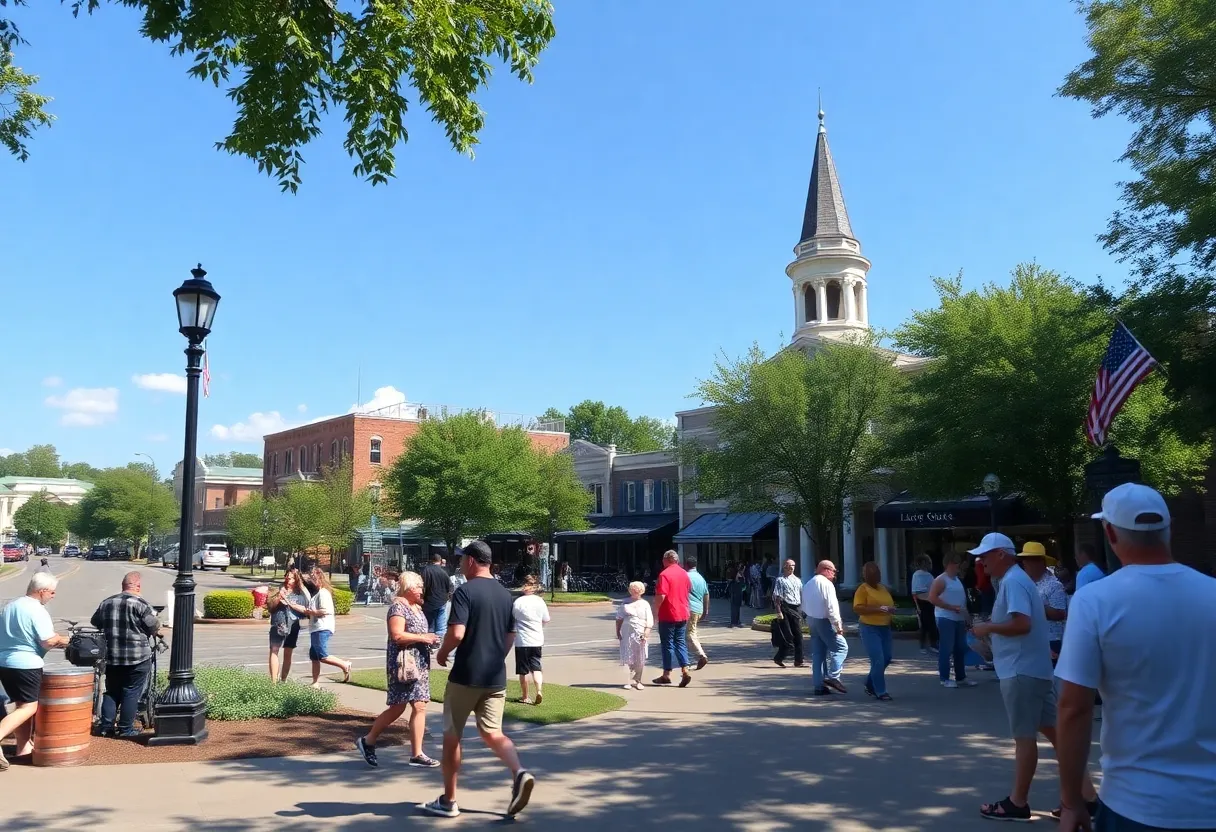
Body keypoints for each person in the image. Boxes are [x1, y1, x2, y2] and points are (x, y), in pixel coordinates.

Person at [1056, 483, 1216, 832]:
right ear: (1169, 528)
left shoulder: (1094, 601)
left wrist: (1071, 800)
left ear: (1110, 532)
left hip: (1136, 801)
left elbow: (1074, 708)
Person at [969, 532, 1097, 822]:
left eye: (985, 555)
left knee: (1024, 738)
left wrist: (988, 628)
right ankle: (1087, 798)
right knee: (1058, 737)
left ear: (1001, 554)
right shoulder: (1018, 580)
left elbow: (1022, 624)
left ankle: (1018, 802)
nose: (981, 561)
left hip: (1020, 671)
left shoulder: (1013, 581)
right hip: (1034, 670)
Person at [423, 540, 534, 819]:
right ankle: (519, 772)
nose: (460, 564)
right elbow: (510, 635)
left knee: (452, 736)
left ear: (472, 561)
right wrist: (496, 656)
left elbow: (457, 633)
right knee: (493, 732)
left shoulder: (465, 591)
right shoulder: (505, 594)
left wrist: (442, 653)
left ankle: (449, 801)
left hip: (465, 675)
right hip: (495, 676)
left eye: (462, 559)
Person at [356, 571, 440, 769]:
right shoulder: (398, 607)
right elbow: (397, 635)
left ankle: (417, 754)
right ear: (408, 587)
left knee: (420, 705)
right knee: (398, 707)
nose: (421, 590)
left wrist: (430, 640)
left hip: (419, 664)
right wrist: (423, 638)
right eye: (418, 586)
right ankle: (368, 741)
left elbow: (418, 634)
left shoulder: (417, 607)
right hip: (403, 665)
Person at [0, 573, 68, 769]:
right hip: (26, 663)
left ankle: (23, 748)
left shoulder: (10, 606)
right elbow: (48, 640)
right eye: (52, 592)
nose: (53, 596)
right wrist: (64, 639)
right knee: (29, 707)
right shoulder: (36, 610)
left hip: (4, 662)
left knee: (21, 705)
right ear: (42, 591)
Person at [90, 571, 163, 737]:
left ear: (123, 586)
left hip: (112, 656)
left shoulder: (106, 602)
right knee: (131, 691)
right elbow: (153, 625)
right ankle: (125, 729)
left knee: (111, 691)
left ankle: (106, 727)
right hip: (137, 657)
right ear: (138, 586)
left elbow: (95, 621)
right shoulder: (141, 604)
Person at [928, 552, 975, 689]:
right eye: (956, 563)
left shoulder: (957, 580)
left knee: (960, 648)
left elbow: (962, 601)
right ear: (949, 564)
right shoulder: (941, 580)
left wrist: (967, 617)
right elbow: (932, 598)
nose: (959, 566)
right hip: (945, 617)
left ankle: (961, 677)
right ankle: (944, 678)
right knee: (946, 648)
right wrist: (950, 607)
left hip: (959, 618)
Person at [853, 561, 898, 701]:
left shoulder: (882, 588)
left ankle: (869, 682)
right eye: (873, 574)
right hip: (869, 627)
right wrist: (879, 609)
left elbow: (887, 604)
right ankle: (880, 691)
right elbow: (858, 608)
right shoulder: (863, 589)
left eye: (878, 573)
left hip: (885, 627)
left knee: (887, 657)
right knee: (878, 659)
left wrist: (891, 610)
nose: (877, 576)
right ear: (866, 575)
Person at [1016, 542, 1067, 661]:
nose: (1025, 563)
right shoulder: (1025, 583)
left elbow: (1060, 614)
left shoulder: (1054, 585)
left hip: (1051, 640)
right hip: (1031, 639)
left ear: (1041, 562)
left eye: (1029, 560)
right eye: (1024, 560)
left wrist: (1034, 604)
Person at [301, 568, 352, 687]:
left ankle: (344, 665)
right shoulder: (317, 594)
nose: (312, 580)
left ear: (320, 579)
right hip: (315, 628)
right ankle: (315, 682)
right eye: (311, 578)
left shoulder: (323, 593)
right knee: (314, 656)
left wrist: (311, 612)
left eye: (314, 578)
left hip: (322, 627)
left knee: (321, 655)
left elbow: (324, 611)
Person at [804, 560, 848, 695]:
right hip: (824, 621)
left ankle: (819, 686)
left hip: (811, 619)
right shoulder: (826, 584)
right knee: (841, 647)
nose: (834, 574)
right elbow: (832, 607)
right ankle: (833, 676)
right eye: (833, 571)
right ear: (826, 570)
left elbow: (803, 604)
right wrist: (838, 625)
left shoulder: (808, 583)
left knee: (818, 654)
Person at [652, 550, 693, 688]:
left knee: (667, 643)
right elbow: (688, 590)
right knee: (680, 641)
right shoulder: (684, 574)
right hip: (682, 612)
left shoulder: (664, 574)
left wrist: (655, 612)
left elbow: (661, 595)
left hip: (668, 613)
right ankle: (685, 669)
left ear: (666, 560)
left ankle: (666, 674)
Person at [512, 576, 550, 705]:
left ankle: (525, 696)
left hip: (522, 640)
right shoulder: (540, 601)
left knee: (523, 671)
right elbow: (546, 619)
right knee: (536, 667)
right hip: (536, 639)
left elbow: (513, 618)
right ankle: (539, 690)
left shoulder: (518, 602)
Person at [267, 568, 310, 682]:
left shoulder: (300, 593)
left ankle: (283, 680)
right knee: (274, 649)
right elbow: (270, 607)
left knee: (288, 652)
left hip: (293, 624)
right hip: (278, 623)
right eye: (286, 577)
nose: (287, 580)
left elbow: (307, 608)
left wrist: (291, 601)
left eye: (291, 578)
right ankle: (273, 682)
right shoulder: (278, 589)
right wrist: (278, 599)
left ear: (296, 580)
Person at [616, 581, 654, 689]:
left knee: (640, 656)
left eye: (637, 590)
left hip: (640, 631)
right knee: (628, 656)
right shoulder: (625, 603)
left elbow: (649, 620)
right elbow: (619, 618)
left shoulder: (645, 604)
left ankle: (638, 680)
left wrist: (647, 631)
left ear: (641, 591)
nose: (635, 591)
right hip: (627, 632)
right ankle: (629, 680)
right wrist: (618, 631)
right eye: (632, 589)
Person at [771, 559, 804, 668]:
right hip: (785, 608)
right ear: (784, 567)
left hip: (796, 608)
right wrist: (778, 611)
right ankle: (779, 657)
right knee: (788, 636)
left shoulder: (798, 580)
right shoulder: (780, 580)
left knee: (798, 635)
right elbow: (777, 597)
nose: (791, 568)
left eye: (793, 565)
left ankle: (799, 660)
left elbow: (801, 595)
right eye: (789, 566)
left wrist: (803, 609)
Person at [684, 555, 710, 670]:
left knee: (689, 633)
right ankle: (689, 658)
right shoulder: (701, 578)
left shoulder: (685, 576)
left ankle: (701, 655)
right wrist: (705, 610)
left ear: (686, 565)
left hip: (689, 608)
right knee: (689, 633)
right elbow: (706, 594)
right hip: (698, 609)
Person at [420, 552, 452, 645]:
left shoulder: (426, 570)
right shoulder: (444, 571)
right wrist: (448, 596)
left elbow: (423, 585)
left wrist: (421, 597)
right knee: (441, 621)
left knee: (429, 621)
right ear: (440, 561)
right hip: (442, 600)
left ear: (431, 560)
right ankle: (438, 640)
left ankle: (430, 640)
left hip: (429, 600)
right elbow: (450, 586)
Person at [909, 554, 938, 653]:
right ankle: (925, 645)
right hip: (923, 601)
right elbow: (915, 591)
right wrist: (917, 605)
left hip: (928, 601)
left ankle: (931, 644)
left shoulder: (929, 575)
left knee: (930, 623)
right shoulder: (917, 575)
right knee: (925, 624)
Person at [728, 561, 747, 627]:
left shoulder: (740, 574)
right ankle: (734, 621)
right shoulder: (738, 574)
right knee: (735, 608)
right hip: (736, 592)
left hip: (738, 592)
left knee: (737, 608)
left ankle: (736, 621)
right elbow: (738, 582)